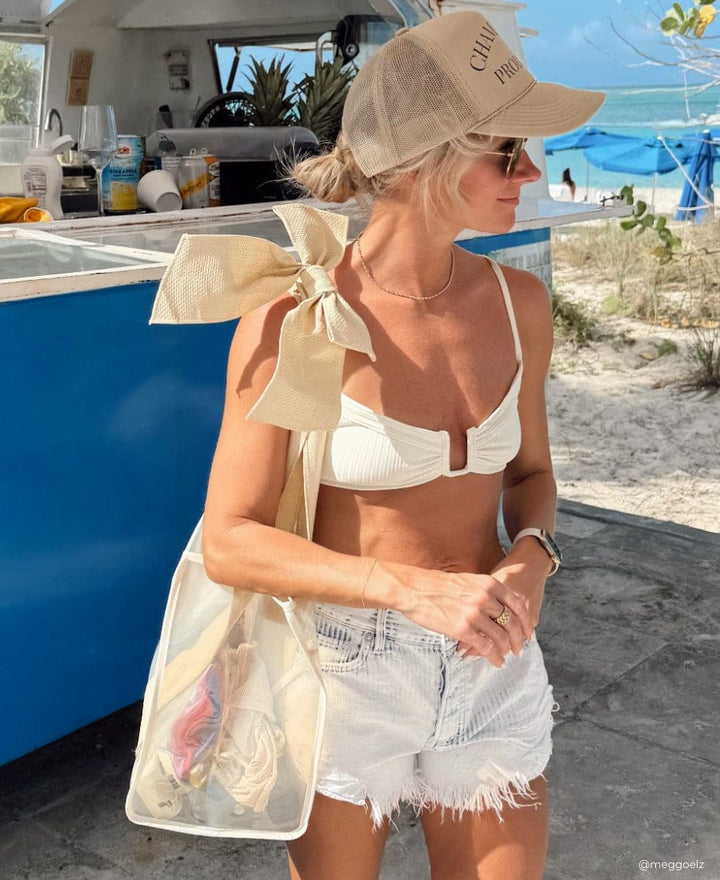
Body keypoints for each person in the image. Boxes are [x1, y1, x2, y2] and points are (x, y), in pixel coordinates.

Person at [196, 12, 603, 880]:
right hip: (346, 671)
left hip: (490, 656)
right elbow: (230, 540)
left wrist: (533, 558)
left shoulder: (518, 304)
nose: (531, 173)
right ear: (426, 160)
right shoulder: (299, 319)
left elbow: (531, 474)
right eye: (507, 152)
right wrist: (410, 592)